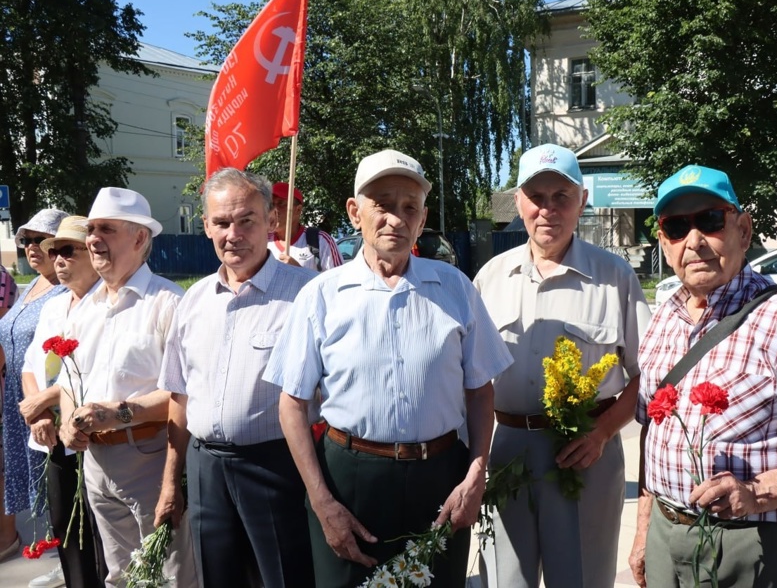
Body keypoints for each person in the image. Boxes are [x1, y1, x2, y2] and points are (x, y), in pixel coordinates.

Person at [265, 149, 513, 588]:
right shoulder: (322, 295)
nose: (395, 219)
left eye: (409, 207)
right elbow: (291, 404)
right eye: (381, 203)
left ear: (422, 218)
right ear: (355, 212)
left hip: (440, 481)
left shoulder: (455, 288)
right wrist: (322, 501)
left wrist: (476, 476)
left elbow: (480, 390)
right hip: (350, 482)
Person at [629, 165, 777, 588]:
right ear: (664, 243)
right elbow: (653, 433)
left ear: (742, 230)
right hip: (666, 537)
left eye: (709, 220)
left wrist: (755, 493)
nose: (695, 240)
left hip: (756, 544)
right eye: (676, 227)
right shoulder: (664, 317)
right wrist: (643, 531)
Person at [473, 143, 651, 588]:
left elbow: (650, 373)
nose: (547, 209)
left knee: (581, 579)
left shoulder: (615, 277)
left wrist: (604, 431)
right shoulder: (490, 277)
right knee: (504, 580)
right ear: (518, 202)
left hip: (585, 452)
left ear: (582, 201)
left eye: (561, 196)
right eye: (536, 196)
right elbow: (468, 378)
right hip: (508, 447)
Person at [154, 169, 317, 587]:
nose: (234, 234)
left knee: (286, 577)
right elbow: (180, 397)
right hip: (206, 469)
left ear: (271, 221)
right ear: (206, 225)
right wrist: (172, 482)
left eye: (246, 220)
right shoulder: (192, 301)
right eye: (222, 223)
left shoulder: (308, 294)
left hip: (277, 467)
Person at [56, 188, 198, 588]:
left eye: (106, 229)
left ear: (139, 239)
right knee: (120, 576)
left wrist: (117, 412)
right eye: (91, 229)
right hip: (96, 462)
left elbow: (184, 394)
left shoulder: (169, 303)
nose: (93, 239)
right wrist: (69, 422)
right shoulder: (85, 306)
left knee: (173, 577)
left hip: (149, 458)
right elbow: (69, 378)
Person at [20, 215, 106, 588]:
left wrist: (43, 400)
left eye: (67, 250)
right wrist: (38, 412)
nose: (57, 258)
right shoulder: (54, 306)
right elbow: (29, 365)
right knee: (66, 531)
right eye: (54, 250)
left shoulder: (107, 302)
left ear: (90, 251)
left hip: (91, 437)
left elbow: (93, 370)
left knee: (98, 537)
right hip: (51, 437)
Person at [0, 208, 68, 567]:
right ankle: (50, 551)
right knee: (32, 479)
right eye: (26, 239)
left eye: (41, 240)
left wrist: (46, 404)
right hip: (18, 396)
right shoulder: (34, 285)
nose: (31, 246)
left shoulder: (67, 290)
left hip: (48, 400)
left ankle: (60, 554)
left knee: (53, 479)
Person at [267, 181, 342, 271]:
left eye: (281, 203)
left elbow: (339, 282)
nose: (274, 210)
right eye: (271, 204)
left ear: (298, 210)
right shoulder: (262, 241)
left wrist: (300, 273)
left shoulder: (321, 241)